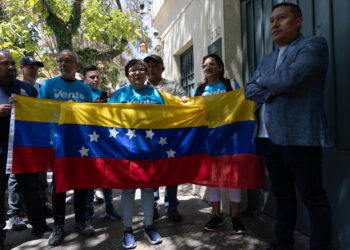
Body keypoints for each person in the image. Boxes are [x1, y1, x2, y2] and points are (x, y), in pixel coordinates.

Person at [244, 3, 332, 250]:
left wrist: (264, 81)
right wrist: (271, 85)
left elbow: (292, 79)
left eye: (281, 18)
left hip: (300, 136)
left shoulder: (313, 45)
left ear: (298, 21)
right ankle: (283, 244)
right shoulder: (268, 57)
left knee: (314, 199)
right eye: (272, 20)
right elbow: (249, 90)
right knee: (282, 196)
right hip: (267, 138)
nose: (274, 24)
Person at [38, 49, 95, 246]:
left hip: (80, 144)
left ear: (77, 66)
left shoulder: (85, 89)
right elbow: (37, 111)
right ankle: (59, 225)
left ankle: (80, 221)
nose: (63, 64)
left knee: (80, 182)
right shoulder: (48, 85)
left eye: (68, 61)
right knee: (59, 184)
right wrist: (19, 106)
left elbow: (90, 116)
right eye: (60, 61)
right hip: (57, 143)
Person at [0, 50, 51, 249]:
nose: (11, 67)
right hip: (1, 149)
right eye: (5, 64)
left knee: (31, 189)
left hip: (24, 148)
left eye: (12, 63)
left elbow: (40, 115)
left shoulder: (26, 89)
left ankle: (39, 226)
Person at [110, 59, 163, 249]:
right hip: (126, 150)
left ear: (146, 73)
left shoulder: (156, 93)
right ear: (127, 75)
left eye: (141, 69)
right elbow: (106, 119)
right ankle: (128, 231)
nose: (137, 73)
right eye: (133, 70)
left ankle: (149, 227)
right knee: (128, 189)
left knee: (149, 188)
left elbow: (168, 115)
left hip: (150, 150)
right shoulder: (119, 95)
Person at [194, 53, 246, 234]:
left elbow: (242, 106)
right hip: (209, 141)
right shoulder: (199, 90)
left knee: (233, 179)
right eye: (205, 65)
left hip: (230, 140)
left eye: (212, 64)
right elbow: (194, 113)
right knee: (212, 180)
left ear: (220, 68)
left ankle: (236, 217)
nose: (208, 67)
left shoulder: (231, 85)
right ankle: (216, 215)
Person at [143, 54, 186, 222]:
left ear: (163, 68)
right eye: (148, 66)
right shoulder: (140, 87)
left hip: (170, 136)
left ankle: (172, 207)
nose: (151, 69)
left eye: (154, 65)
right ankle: (153, 206)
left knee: (171, 172)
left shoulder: (173, 86)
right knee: (151, 172)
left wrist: (182, 101)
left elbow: (185, 104)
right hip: (148, 137)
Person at [82, 65, 121, 221]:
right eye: (92, 77)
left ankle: (109, 207)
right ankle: (88, 210)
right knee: (89, 177)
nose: (96, 80)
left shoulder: (105, 94)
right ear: (84, 79)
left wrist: (113, 100)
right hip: (86, 141)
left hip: (104, 140)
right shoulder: (82, 93)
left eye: (97, 77)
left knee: (106, 175)